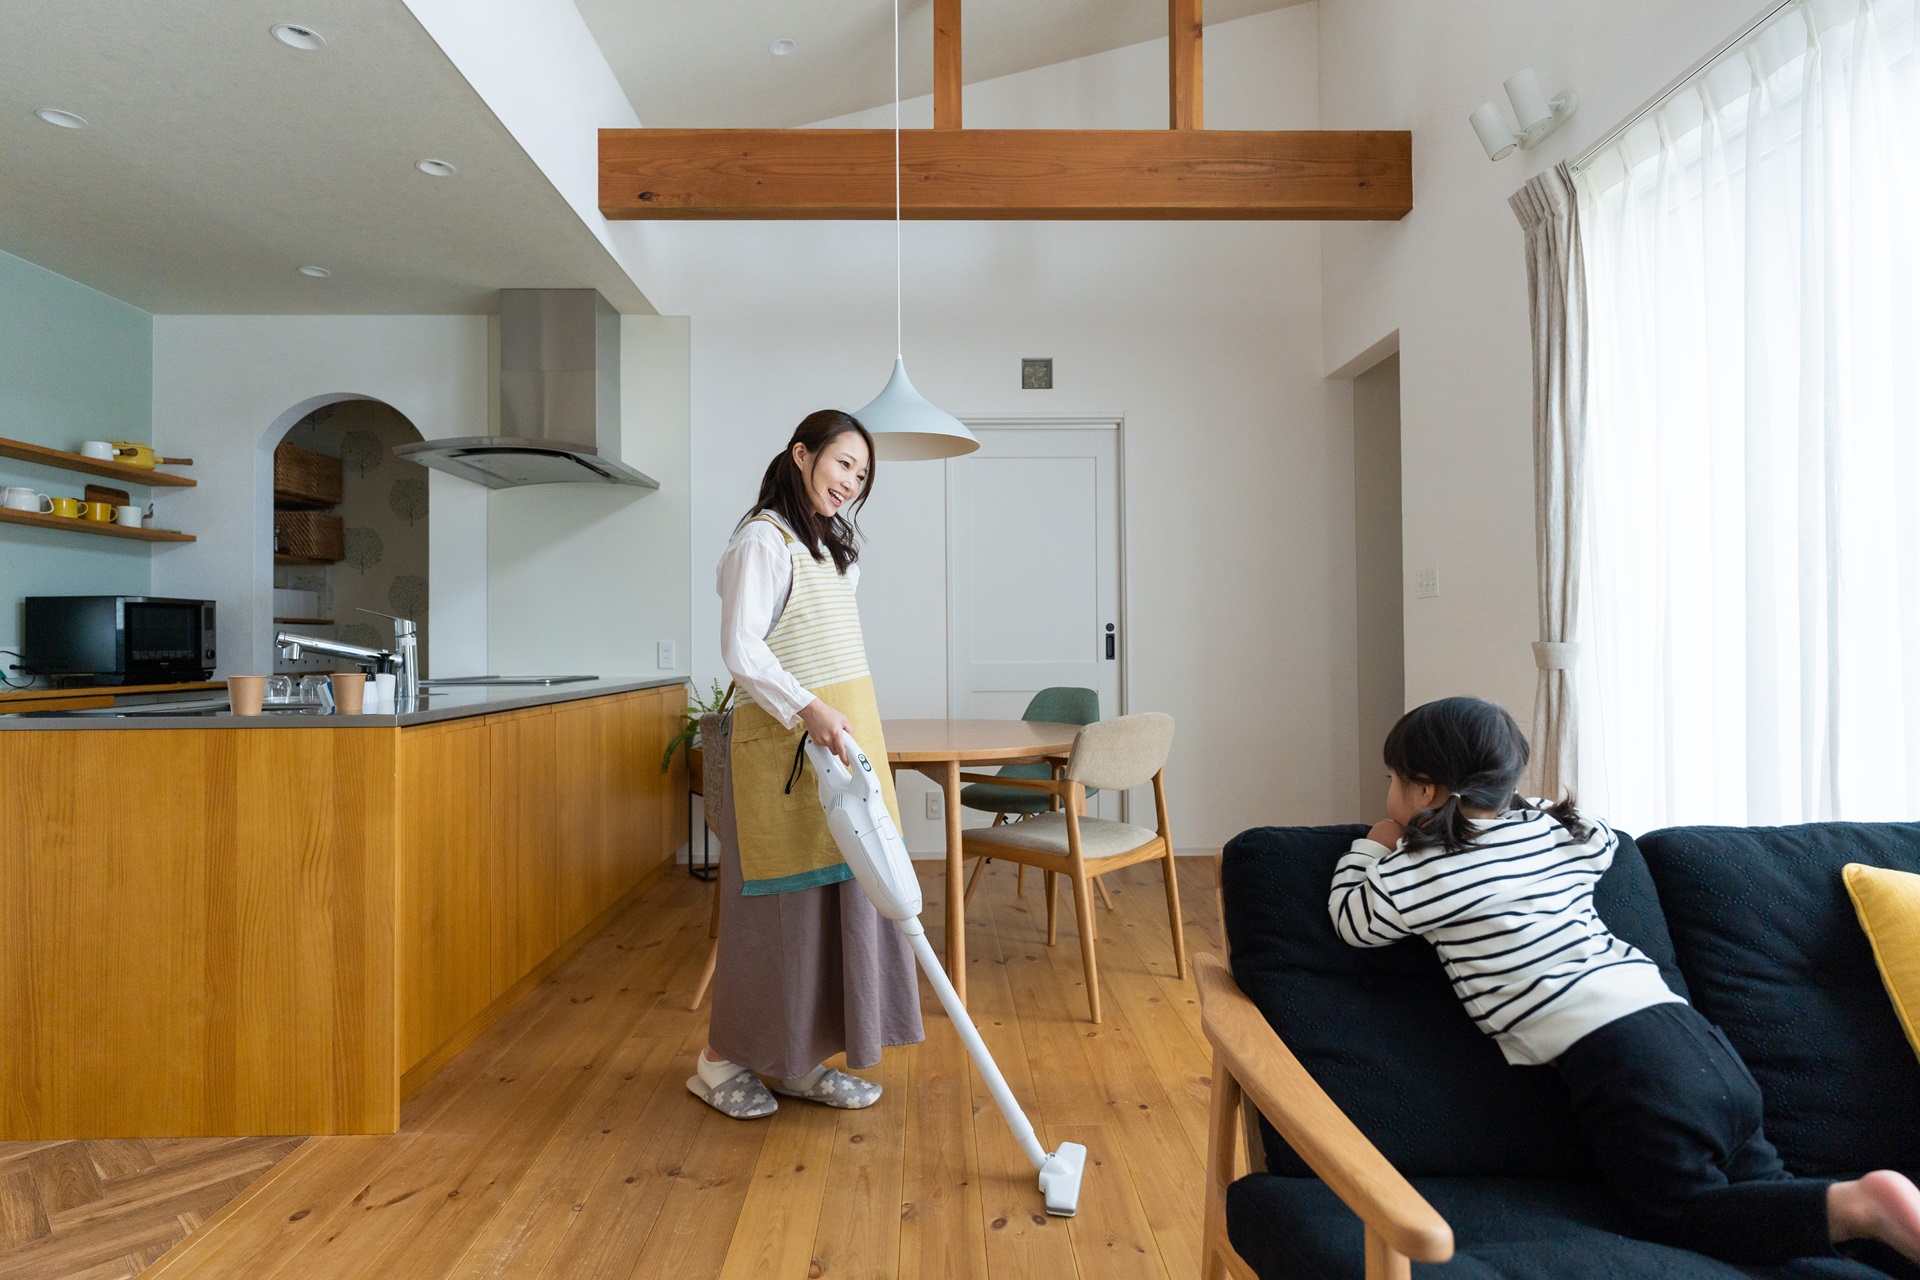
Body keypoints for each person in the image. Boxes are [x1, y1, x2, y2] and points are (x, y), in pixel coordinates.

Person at [1328, 696, 1920, 1267]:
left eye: (1393, 778)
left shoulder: (1421, 866)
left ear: (1425, 788)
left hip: (1625, 1063)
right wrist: (1519, 808)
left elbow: (1356, 922)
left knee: (1678, 1213)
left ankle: (1867, 1203)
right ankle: (1880, 1231)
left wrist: (1374, 845)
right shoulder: (1551, 831)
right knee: (1764, 1196)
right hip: (1691, 1034)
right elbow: (1601, 839)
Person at [689, 409, 924, 1120]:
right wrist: (811, 712)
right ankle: (719, 1062)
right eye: (842, 463)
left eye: (861, 473)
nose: (851, 481)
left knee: (836, 912)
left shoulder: (826, 549)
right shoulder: (762, 540)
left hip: (839, 754)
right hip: (788, 756)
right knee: (781, 919)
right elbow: (744, 651)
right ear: (801, 455)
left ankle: (794, 1061)